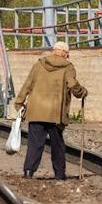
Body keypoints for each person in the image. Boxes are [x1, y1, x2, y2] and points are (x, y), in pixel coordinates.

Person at [13, 41, 87, 180]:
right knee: (57, 145)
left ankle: (29, 171)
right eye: (67, 54)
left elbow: (28, 84)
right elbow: (72, 84)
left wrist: (19, 103)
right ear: (65, 53)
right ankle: (59, 174)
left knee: (34, 144)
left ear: (54, 51)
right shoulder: (68, 67)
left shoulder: (39, 64)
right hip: (55, 113)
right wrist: (82, 92)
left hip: (36, 111)